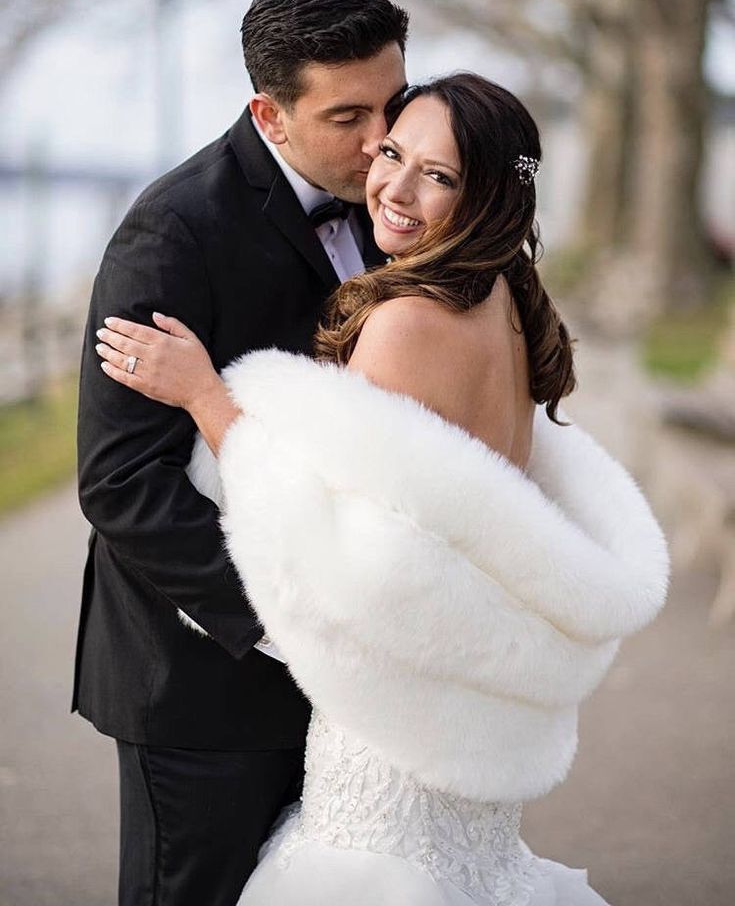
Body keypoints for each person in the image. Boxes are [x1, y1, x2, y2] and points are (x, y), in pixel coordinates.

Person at [95, 73, 670, 905]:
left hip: (392, 744)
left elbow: (332, 538)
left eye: (437, 175)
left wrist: (204, 396)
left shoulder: (407, 320)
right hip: (454, 734)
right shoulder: (502, 298)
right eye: (392, 153)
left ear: (487, 199)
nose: (392, 188)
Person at [73, 0, 408, 906]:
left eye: (394, 102)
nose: (382, 140)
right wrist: (288, 626)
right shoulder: (174, 233)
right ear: (269, 116)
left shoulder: (396, 207)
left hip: (351, 687)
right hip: (203, 679)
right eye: (348, 118)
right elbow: (122, 483)